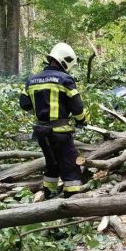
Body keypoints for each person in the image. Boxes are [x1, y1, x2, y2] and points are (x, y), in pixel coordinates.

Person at [19, 43, 88, 199]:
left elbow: (24, 104)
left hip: (41, 132)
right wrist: (82, 120)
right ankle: (72, 201)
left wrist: (39, 113)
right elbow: (77, 106)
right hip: (60, 133)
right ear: (65, 60)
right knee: (70, 166)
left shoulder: (32, 80)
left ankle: (49, 194)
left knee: (52, 163)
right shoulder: (65, 79)